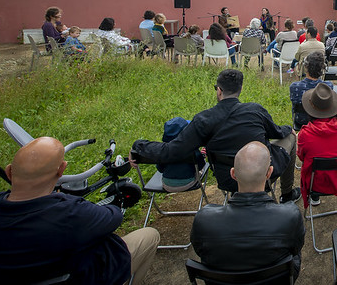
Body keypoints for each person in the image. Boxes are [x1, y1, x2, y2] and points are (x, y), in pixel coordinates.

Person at [0, 137, 159, 285]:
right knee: (149, 235)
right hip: (80, 278)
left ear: (9, 172)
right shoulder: (69, 214)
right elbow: (113, 216)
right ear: (61, 170)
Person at [131, 69, 301, 203]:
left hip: (228, 178)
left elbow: (172, 150)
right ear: (240, 89)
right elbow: (277, 132)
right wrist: (288, 128)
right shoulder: (255, 110)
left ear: (219, 91)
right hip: (262, 175)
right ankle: (286, 194)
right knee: (290, 137)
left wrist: (139, 146)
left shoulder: (203, 119)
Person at [190, 142, 305, 280]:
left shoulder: (203, 219)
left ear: (233, 174)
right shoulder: (290, 215)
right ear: (269, 173)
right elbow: (295, 247)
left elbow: (200, 251)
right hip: (277, 279)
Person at [297, 83, 337, 208]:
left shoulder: (305, 134)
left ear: (311, 109)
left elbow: (301, 156)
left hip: (316, 183)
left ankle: (315, 198)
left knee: (311, 165)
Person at [156, 117, 206, 192]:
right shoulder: (191, 149)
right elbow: (200, 166)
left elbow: (160, 169)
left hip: (167, 185)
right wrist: (202, 155)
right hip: (188, 183)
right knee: (202, 165)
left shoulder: (163, 149)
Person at [290, 52, 334, 130]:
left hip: (301, 121)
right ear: (322, 68)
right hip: (321, 120)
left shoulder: (295, 86)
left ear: (306, 67)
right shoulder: (328, 86)